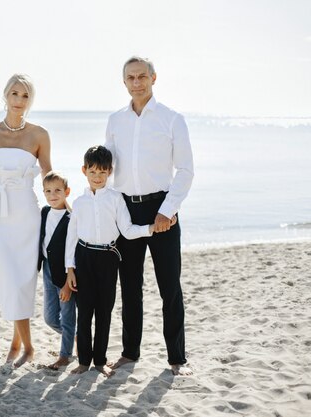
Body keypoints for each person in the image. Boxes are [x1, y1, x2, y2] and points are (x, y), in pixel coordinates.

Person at [104, 56, 194, 376]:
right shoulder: (115, 121)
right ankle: (130, 353)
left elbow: (185, 170)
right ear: (124, 82)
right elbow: (107, 167)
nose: (137, 82)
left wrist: (167, 211)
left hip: (163, 210)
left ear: (154, 78)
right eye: (131, 77)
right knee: (129, 286)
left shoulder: (171, 119)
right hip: (126, 211)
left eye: (143, 76)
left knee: (169, 287)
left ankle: (177, 360)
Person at [66, 146, 158, 377]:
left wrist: (150, 228)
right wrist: (70, 269)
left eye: (102, 173)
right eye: (93, 172)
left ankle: (100, 361)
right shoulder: (78, 203)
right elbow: (71, 237)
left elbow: (126, 230)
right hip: (84, 257)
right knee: (84, 312)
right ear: (84, 171)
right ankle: (84, 361)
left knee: (104, 311)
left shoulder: (116, 199)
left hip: (108, 258)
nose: (97, 177)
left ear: (110, 172)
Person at [0, 73, 52, 368]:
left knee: (23, 280)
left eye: (25, 96)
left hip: (26, 213)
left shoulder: (38, 134)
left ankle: (20, 344)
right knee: (8, 278)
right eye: (15, 94)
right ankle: (25, 345)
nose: (19, 101)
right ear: (5, 96)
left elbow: (48, 174)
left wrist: (66, 205)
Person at [37, 171, 75, 371]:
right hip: (47, 270)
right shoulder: (44, 212)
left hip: (65, 274)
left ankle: (65, 356)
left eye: (58, 191)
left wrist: (68, 283)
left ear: (66, 192)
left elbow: (72, 251)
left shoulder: (71, 219)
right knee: (50, 318)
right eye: (48, 191)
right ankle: (76, 338)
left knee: (67, 317)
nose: (53, 195)